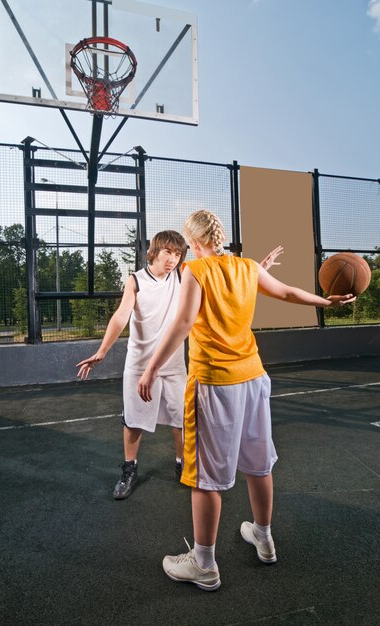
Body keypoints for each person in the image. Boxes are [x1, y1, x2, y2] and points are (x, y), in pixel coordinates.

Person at [138, 210, 355, 591]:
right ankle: (264, 537)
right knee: (258, 464)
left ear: (193, 242)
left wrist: (152, 367)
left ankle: (204, 563)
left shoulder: (196, 272)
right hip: (254, 377)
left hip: (215, 382)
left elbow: (185, 323)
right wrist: (326, 303)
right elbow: (287, 292)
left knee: (206, 478)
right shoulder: (247, 267)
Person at [77, 229, 283, 501]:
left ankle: (181, 463)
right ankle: (129, 469)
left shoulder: (184, 275)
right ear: (154, 251)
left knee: (180, 421)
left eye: (178, 253)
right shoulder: (136, 281)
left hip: (173, 365)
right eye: (167, 252)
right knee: (133, 422)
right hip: (140, 364)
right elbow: (120, 317)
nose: (173, 259)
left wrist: (257, 270)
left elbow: (220, 270)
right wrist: (102, 351)